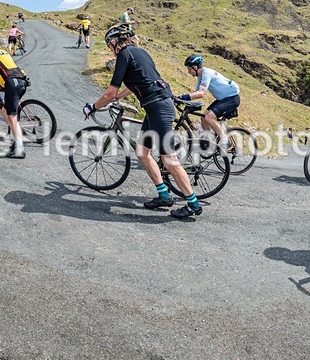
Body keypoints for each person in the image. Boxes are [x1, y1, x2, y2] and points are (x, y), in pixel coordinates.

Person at [82, 25, 202, 219]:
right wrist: (117, 98)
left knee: (168, 159)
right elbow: (136, 83)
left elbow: (110, 90)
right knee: (142, 152)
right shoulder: (139, 52)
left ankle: (193, 204)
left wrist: (93, 107)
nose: (109, 49)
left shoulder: (123, 55)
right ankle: (164, 194)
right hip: (156, 105)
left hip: (158, 107)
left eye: (108, 45)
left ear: (114, 42)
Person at [177, 55, 240, 146]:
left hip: (232, 98)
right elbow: (196, 93)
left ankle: (226, 141)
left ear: (195, 67)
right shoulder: (201, 76)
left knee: (209, 118)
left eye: (189, 69)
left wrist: (181, 98)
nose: (188, 72)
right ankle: (209, 142)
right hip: (222, 99)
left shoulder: (206, 73)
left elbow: (201, 93)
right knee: (204, 118)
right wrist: (184, 101)